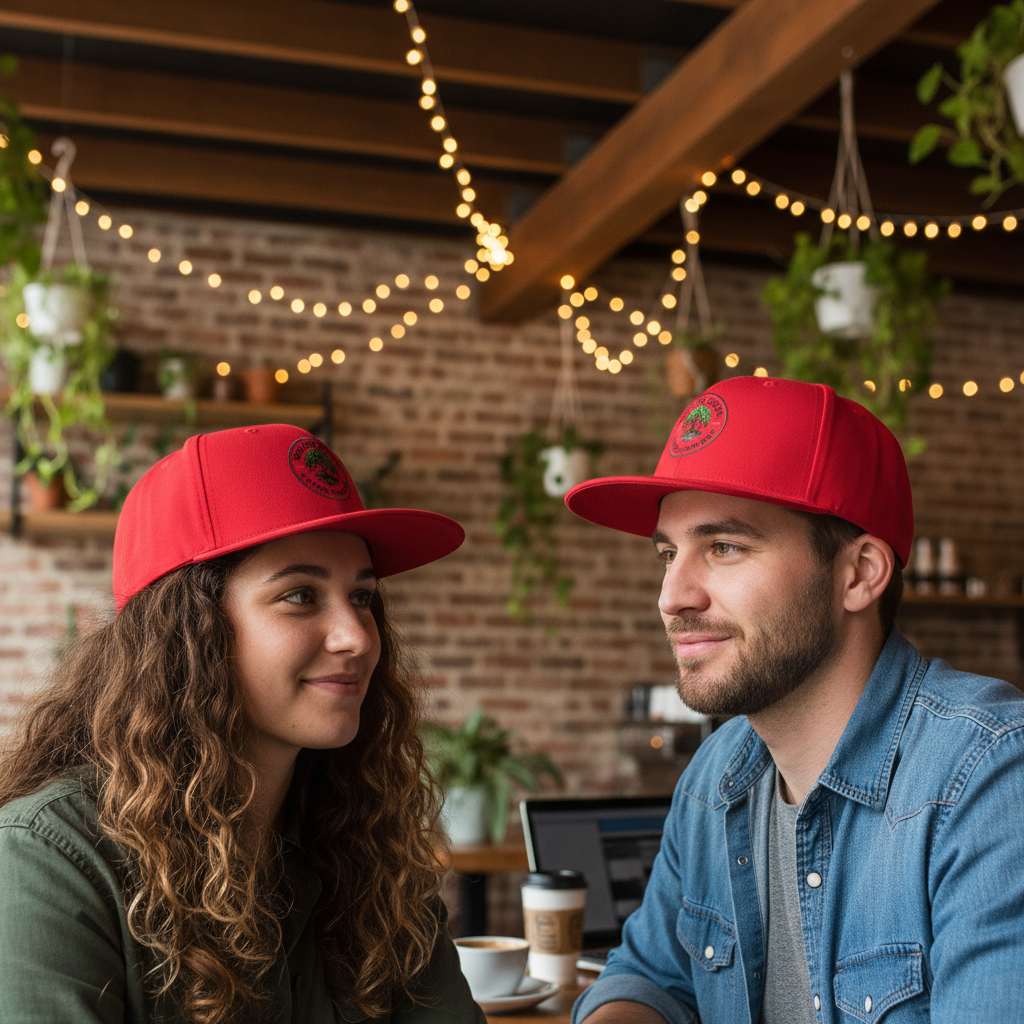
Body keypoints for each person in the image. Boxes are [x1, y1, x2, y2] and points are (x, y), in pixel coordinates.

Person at [564, 376, 1024, 1024]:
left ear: (859, 574)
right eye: (669, 553)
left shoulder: (989, 780)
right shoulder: (714, 780)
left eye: (723, 547)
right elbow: (649, 978)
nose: (672, 595)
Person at [0, 424, 485, 1024]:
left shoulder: (367, 843)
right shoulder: (50, 860)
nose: (357, 637)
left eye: (362, 598)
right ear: (187, 634)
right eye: (300, 596)